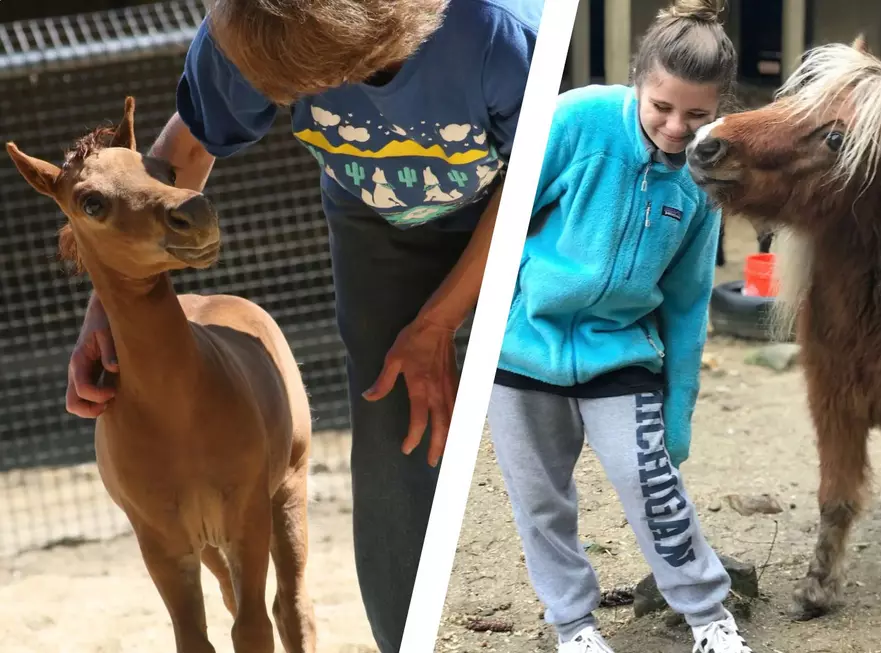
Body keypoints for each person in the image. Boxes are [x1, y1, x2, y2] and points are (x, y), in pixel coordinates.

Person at [63, 1, 541, 651]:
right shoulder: (248, 26)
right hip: (374, 210)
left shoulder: (495, 35)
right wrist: (105, 311)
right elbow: (188, 146)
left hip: (517, 199)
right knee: (393, 421)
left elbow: (532, 184)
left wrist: (438, 323)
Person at [486, 1, 753, 652]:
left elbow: (688, 304)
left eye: (696, 115)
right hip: (522, 353)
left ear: (717, 109)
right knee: (540, 502)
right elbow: (504, 219)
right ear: (639, 79)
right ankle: (574, 627)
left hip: (621, 353)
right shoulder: (575, 121)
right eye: (662, 106)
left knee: (652, 487)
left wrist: (680, 411)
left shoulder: (700, 182)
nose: (674, 127)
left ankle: (710, 620)